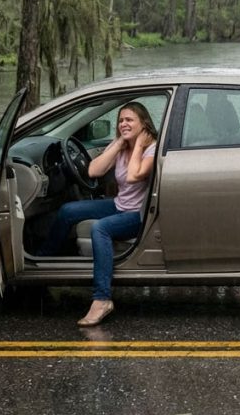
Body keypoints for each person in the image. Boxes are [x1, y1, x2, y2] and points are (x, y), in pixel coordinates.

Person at [37, 102, 158, 326]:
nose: (124, 124)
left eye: (130, 120)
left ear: (144, 124)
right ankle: (42, 264)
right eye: (121, 120)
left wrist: (139, 145)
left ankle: (102, 298)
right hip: (120, 204)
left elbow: (133, 176)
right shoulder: (123, 145)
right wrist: (121, 142)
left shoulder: (151, 150)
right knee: (68, 211)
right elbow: (94, 170)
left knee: (100, 228)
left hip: (138, 215)